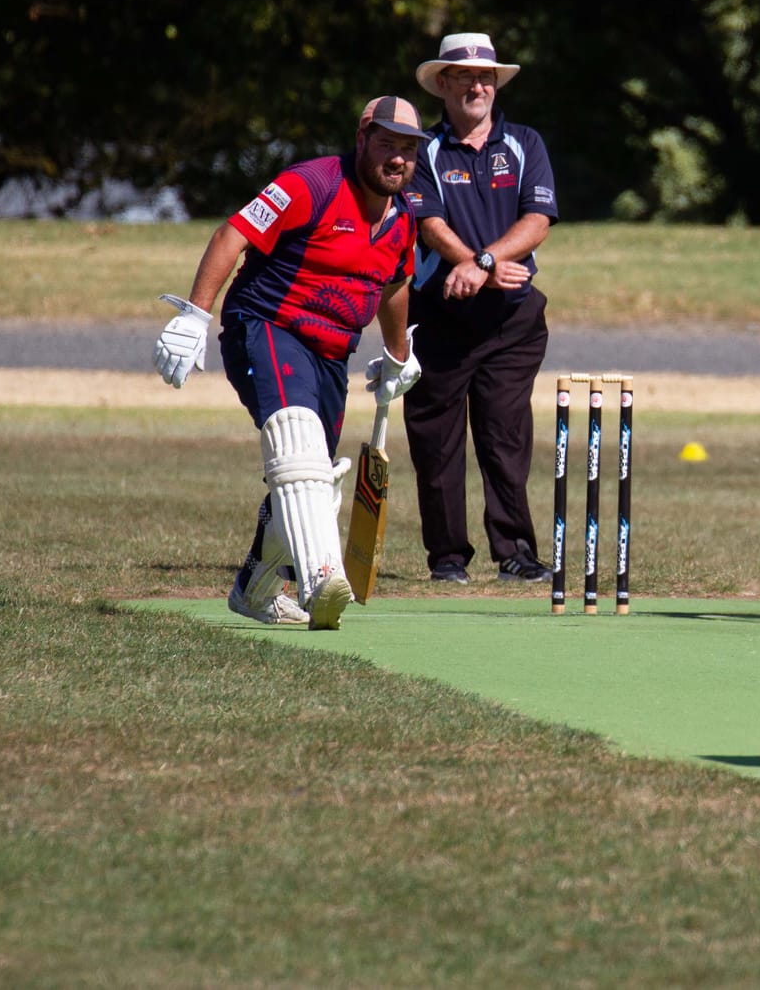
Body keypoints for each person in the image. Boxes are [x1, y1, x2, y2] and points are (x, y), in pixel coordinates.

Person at [153, 96, 428, 630]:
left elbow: (395, 283)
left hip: (331, 355)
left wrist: (398, 356)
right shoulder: (312, 184)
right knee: (297, 441)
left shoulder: (404, 220)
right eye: (387, 145)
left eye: (409, 150)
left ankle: (255, 588)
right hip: (267, 327)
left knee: (309, 475)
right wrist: (194, 316)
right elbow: (232, 234)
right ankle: (321, 576)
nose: (397, 159)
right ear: (362, 139)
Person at [401, 32, 560, 584]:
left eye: (485, 77)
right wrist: (472, 264)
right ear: (442, 84)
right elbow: (428, 223)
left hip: (511, 318)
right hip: (441, 314)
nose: (477, 86)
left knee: (505, 434)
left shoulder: (524, 144)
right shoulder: (424, 151)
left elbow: (537, 221)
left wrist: (484, 264)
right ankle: (447, 557)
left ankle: (515, 552)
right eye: (465, 77)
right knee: (436, 440)